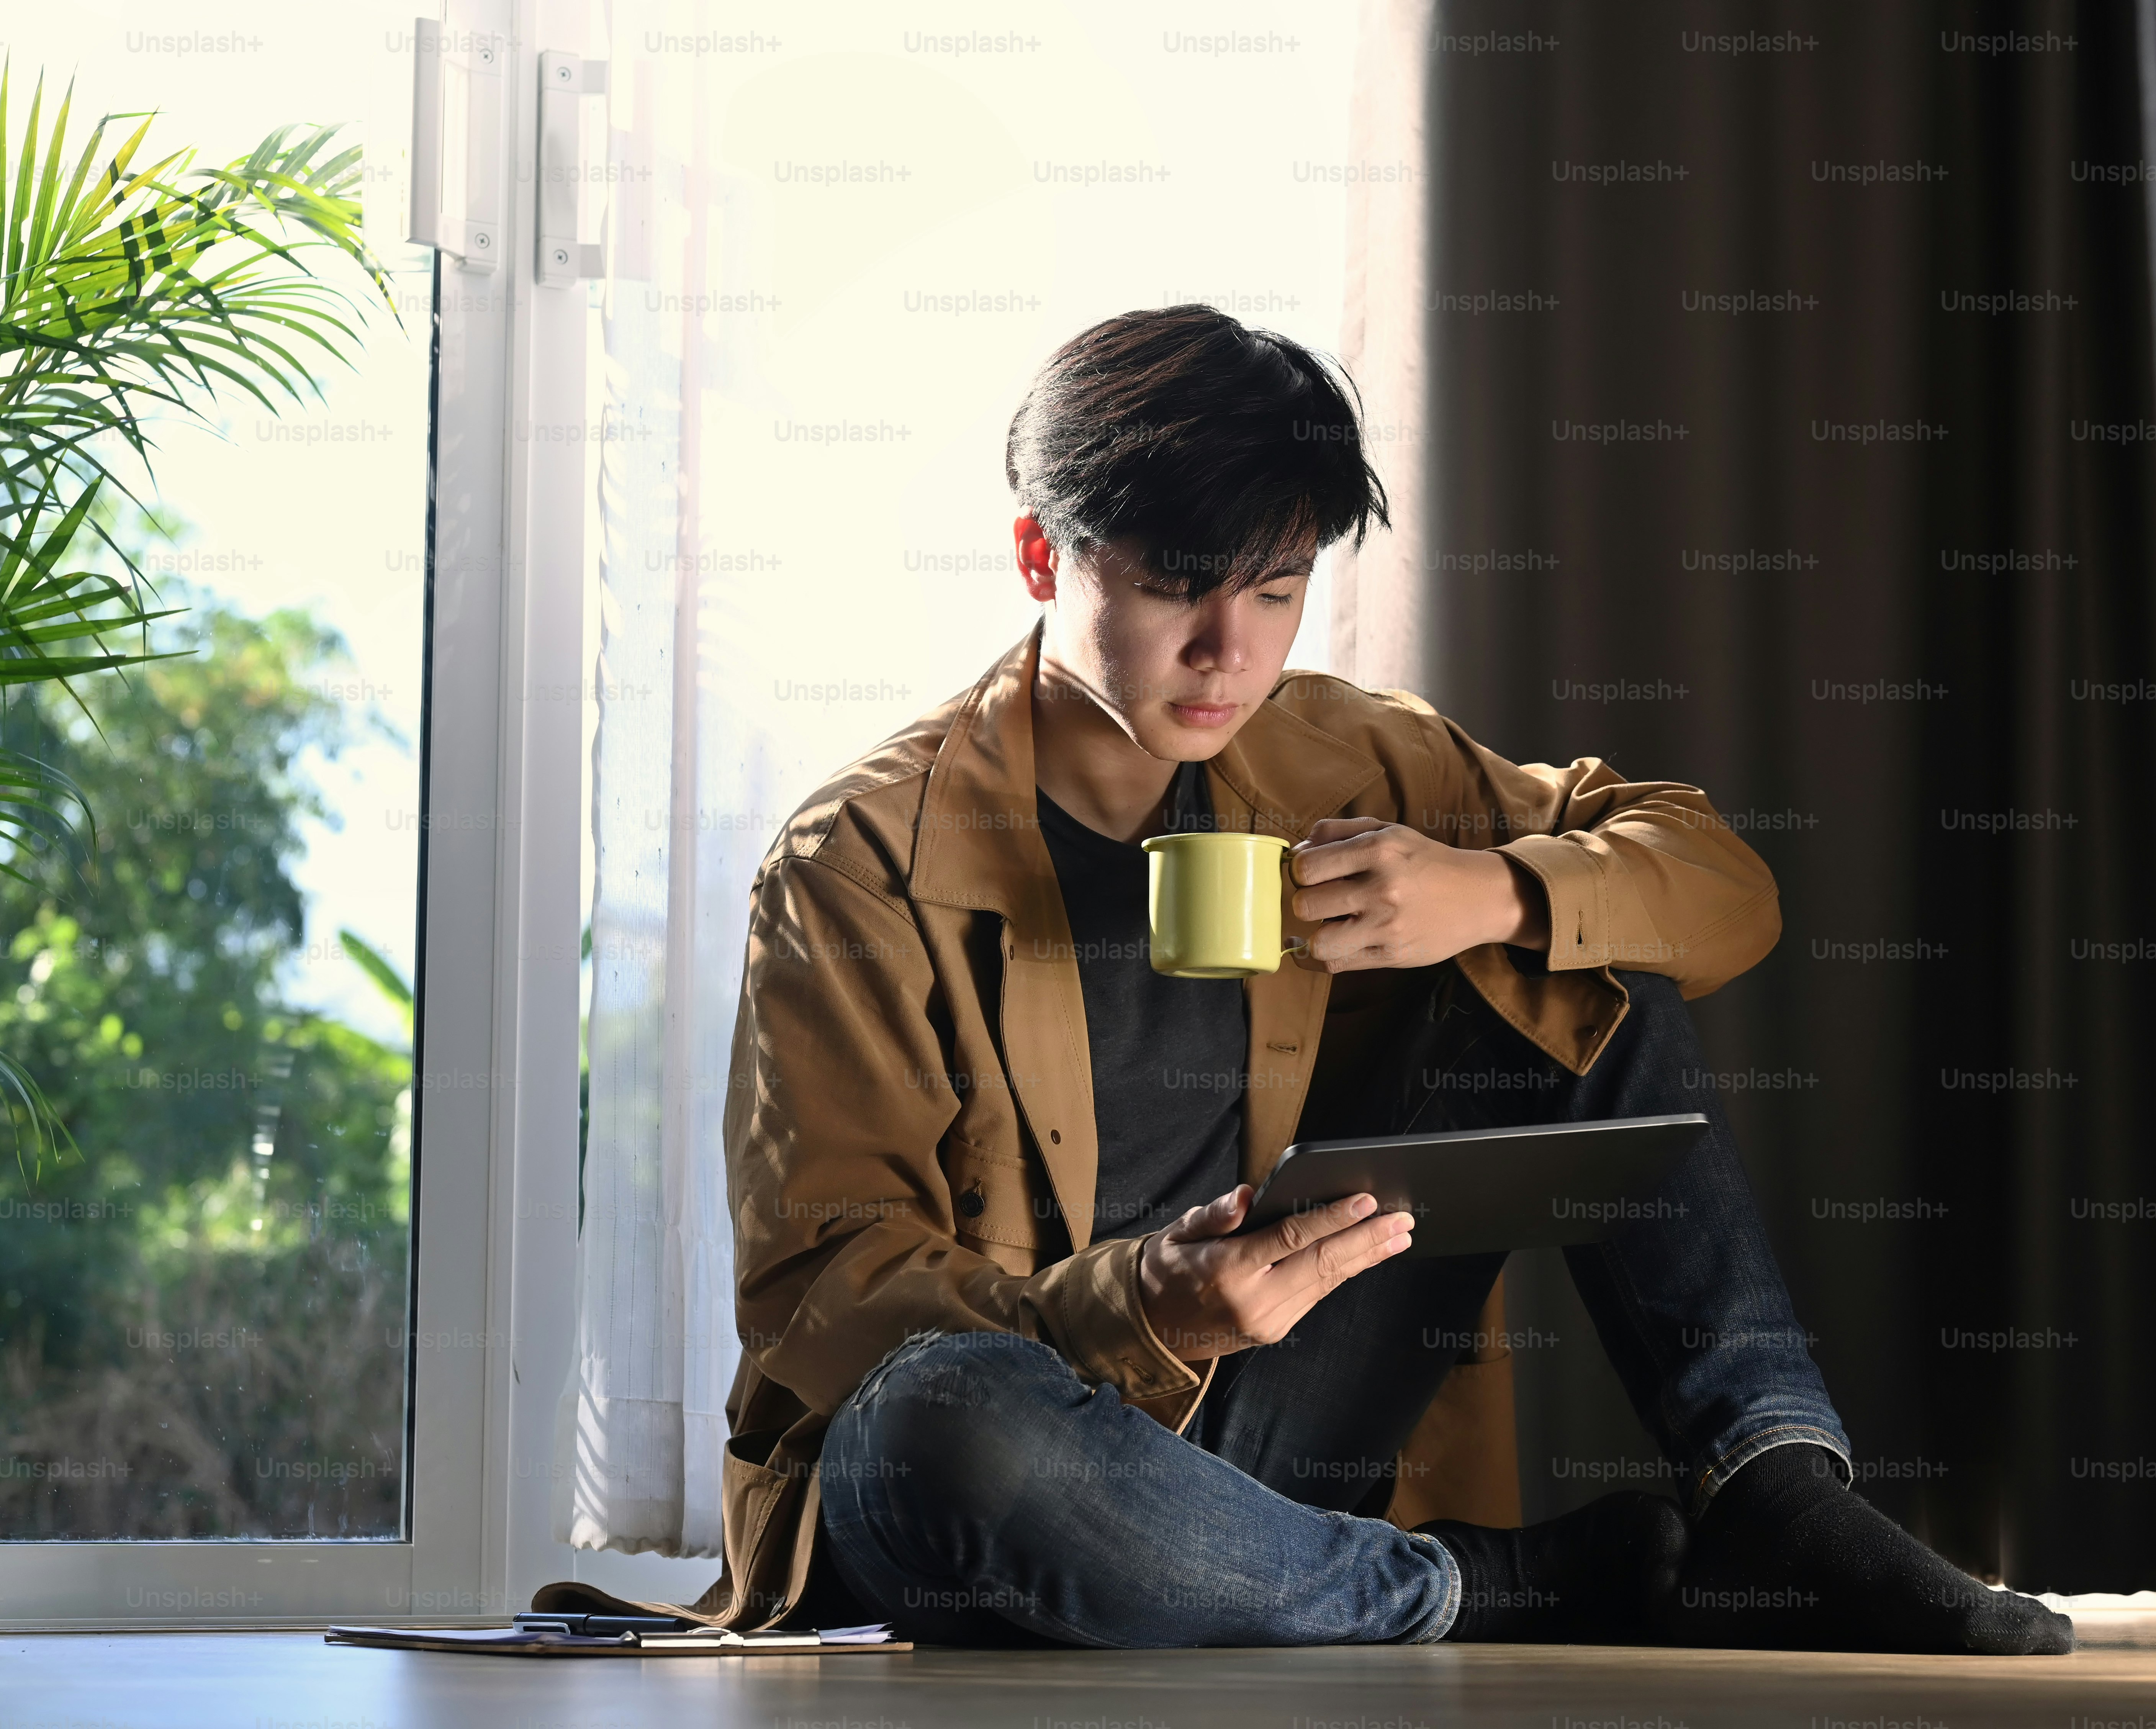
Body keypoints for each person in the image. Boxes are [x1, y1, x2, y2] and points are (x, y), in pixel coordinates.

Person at [656, 306, 2072, 1654]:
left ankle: (1771, 1487)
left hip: (1280, 1434)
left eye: (1276, 593)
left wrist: (1497, 886)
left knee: (1586, 963)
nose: (1231, 654)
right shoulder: (863, 859)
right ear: (1043, 556)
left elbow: (1720, 886)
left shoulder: (1353, 757)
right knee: (939, 1420)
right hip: (1026, 1452)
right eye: (1171, 589)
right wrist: (1145, 1301)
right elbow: (826, 1292)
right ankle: (1476, 1584)